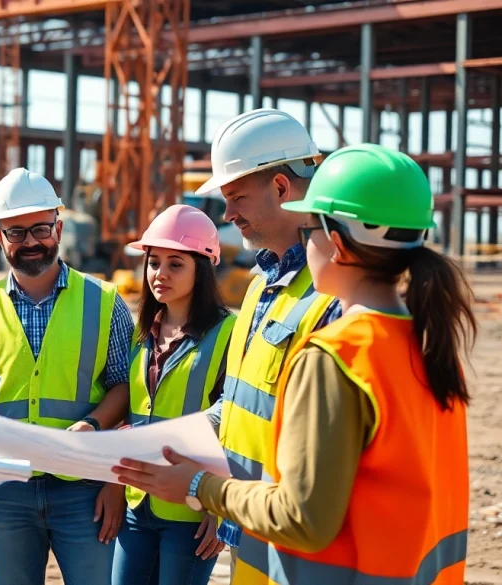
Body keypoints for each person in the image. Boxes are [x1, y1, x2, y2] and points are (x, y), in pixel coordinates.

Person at [113, 143, 473, 585]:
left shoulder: (336, 358)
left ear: (336, 245)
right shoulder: (427, 345)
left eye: (310, 229)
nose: (306, 243)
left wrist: (195, 486)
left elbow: (302, 519)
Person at [0, 167, 135, 585]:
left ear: (59, 227)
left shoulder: (105, 301)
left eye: (40, 229)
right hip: (6, 491)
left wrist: (96, 433)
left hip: (84, 488)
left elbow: (124, 386)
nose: (30, 241)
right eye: (16, 232)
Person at [191, 108, 343, 556]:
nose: (228, 214)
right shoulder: (259, 287)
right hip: (247, 522)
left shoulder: (333, 295)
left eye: (236, 197)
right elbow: (242, 403)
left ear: (280, 187)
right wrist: (172, 434)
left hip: (294, 536)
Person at [111, 204, 237, 585]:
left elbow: (234, 420)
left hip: (193, 510)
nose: (159, 274)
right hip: (137, 503)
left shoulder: (229, 332)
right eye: (153, 262)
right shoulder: (141, 332)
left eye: (175, 264)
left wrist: (221, 506)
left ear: (203, 267)